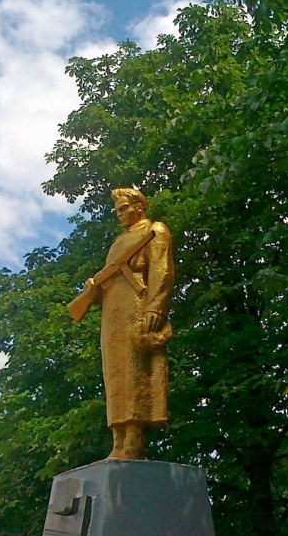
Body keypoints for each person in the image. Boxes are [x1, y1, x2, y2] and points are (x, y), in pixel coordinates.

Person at [81, 188, 174, 459]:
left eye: (123, 208)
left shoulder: (155, 231)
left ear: (139, 206)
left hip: (137, 309)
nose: (119, 214)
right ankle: (118, 441)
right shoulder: (118, 243)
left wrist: (155, 307)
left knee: (136, 373)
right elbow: (109, 284)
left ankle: (134, 441)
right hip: (112, 316)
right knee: (115, 376)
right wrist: (92, 291)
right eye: (117, 210)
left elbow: (162, 271)